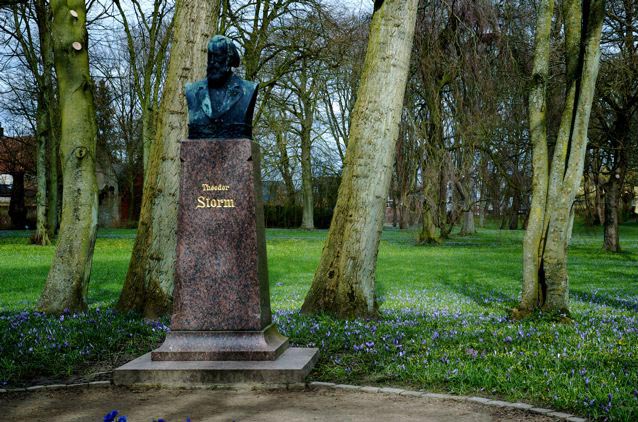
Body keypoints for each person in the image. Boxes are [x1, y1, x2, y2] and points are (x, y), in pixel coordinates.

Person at [185, 35, 258, 139]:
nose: (212, 62)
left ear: (229, 58)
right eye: (210, 56)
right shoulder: (192, 91)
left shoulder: (248, 89)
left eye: (218, 56)